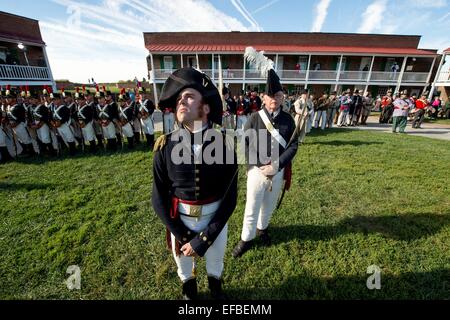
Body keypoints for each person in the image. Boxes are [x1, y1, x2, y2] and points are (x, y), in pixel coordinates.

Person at [152, 67, 237, 300]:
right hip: (180, 220)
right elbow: (158, 198)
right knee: (184, 265)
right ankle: (189, 290)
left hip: (214, 219)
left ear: (206, 107)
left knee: (215, 261)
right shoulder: (164, 146)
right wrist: (182, 234)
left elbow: (230, 198)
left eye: (189, 96)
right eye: (179, 98)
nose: (181, 101)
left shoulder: (226, 145)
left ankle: (215, 287)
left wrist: (205, 237)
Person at [232, 67, 298, 258]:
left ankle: (262, 229)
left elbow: (293, 147)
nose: (274, 99)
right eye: (270, 95)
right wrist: (259, 165)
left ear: (283, 97)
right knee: (251, 207)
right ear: (263, 97)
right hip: (256, 170)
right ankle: (246, 238)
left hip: (277, 171)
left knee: (268, 206)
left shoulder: (288, 120)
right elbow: (244, 143)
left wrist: (276, 166)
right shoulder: (254, 118)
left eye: (278, 95)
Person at [75, 88, 97, 153]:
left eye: (79, 100)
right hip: (81, 124)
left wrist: (85, 123)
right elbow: (77, 116)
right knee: (85, 136)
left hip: (87, 124)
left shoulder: (87, 107)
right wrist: (78, 123)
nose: (78, 101)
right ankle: (90, 147)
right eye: (77, 100)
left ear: (83, 100)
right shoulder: (78, 107)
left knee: (90, 136)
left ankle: (93, 148)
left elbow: (89, 117)